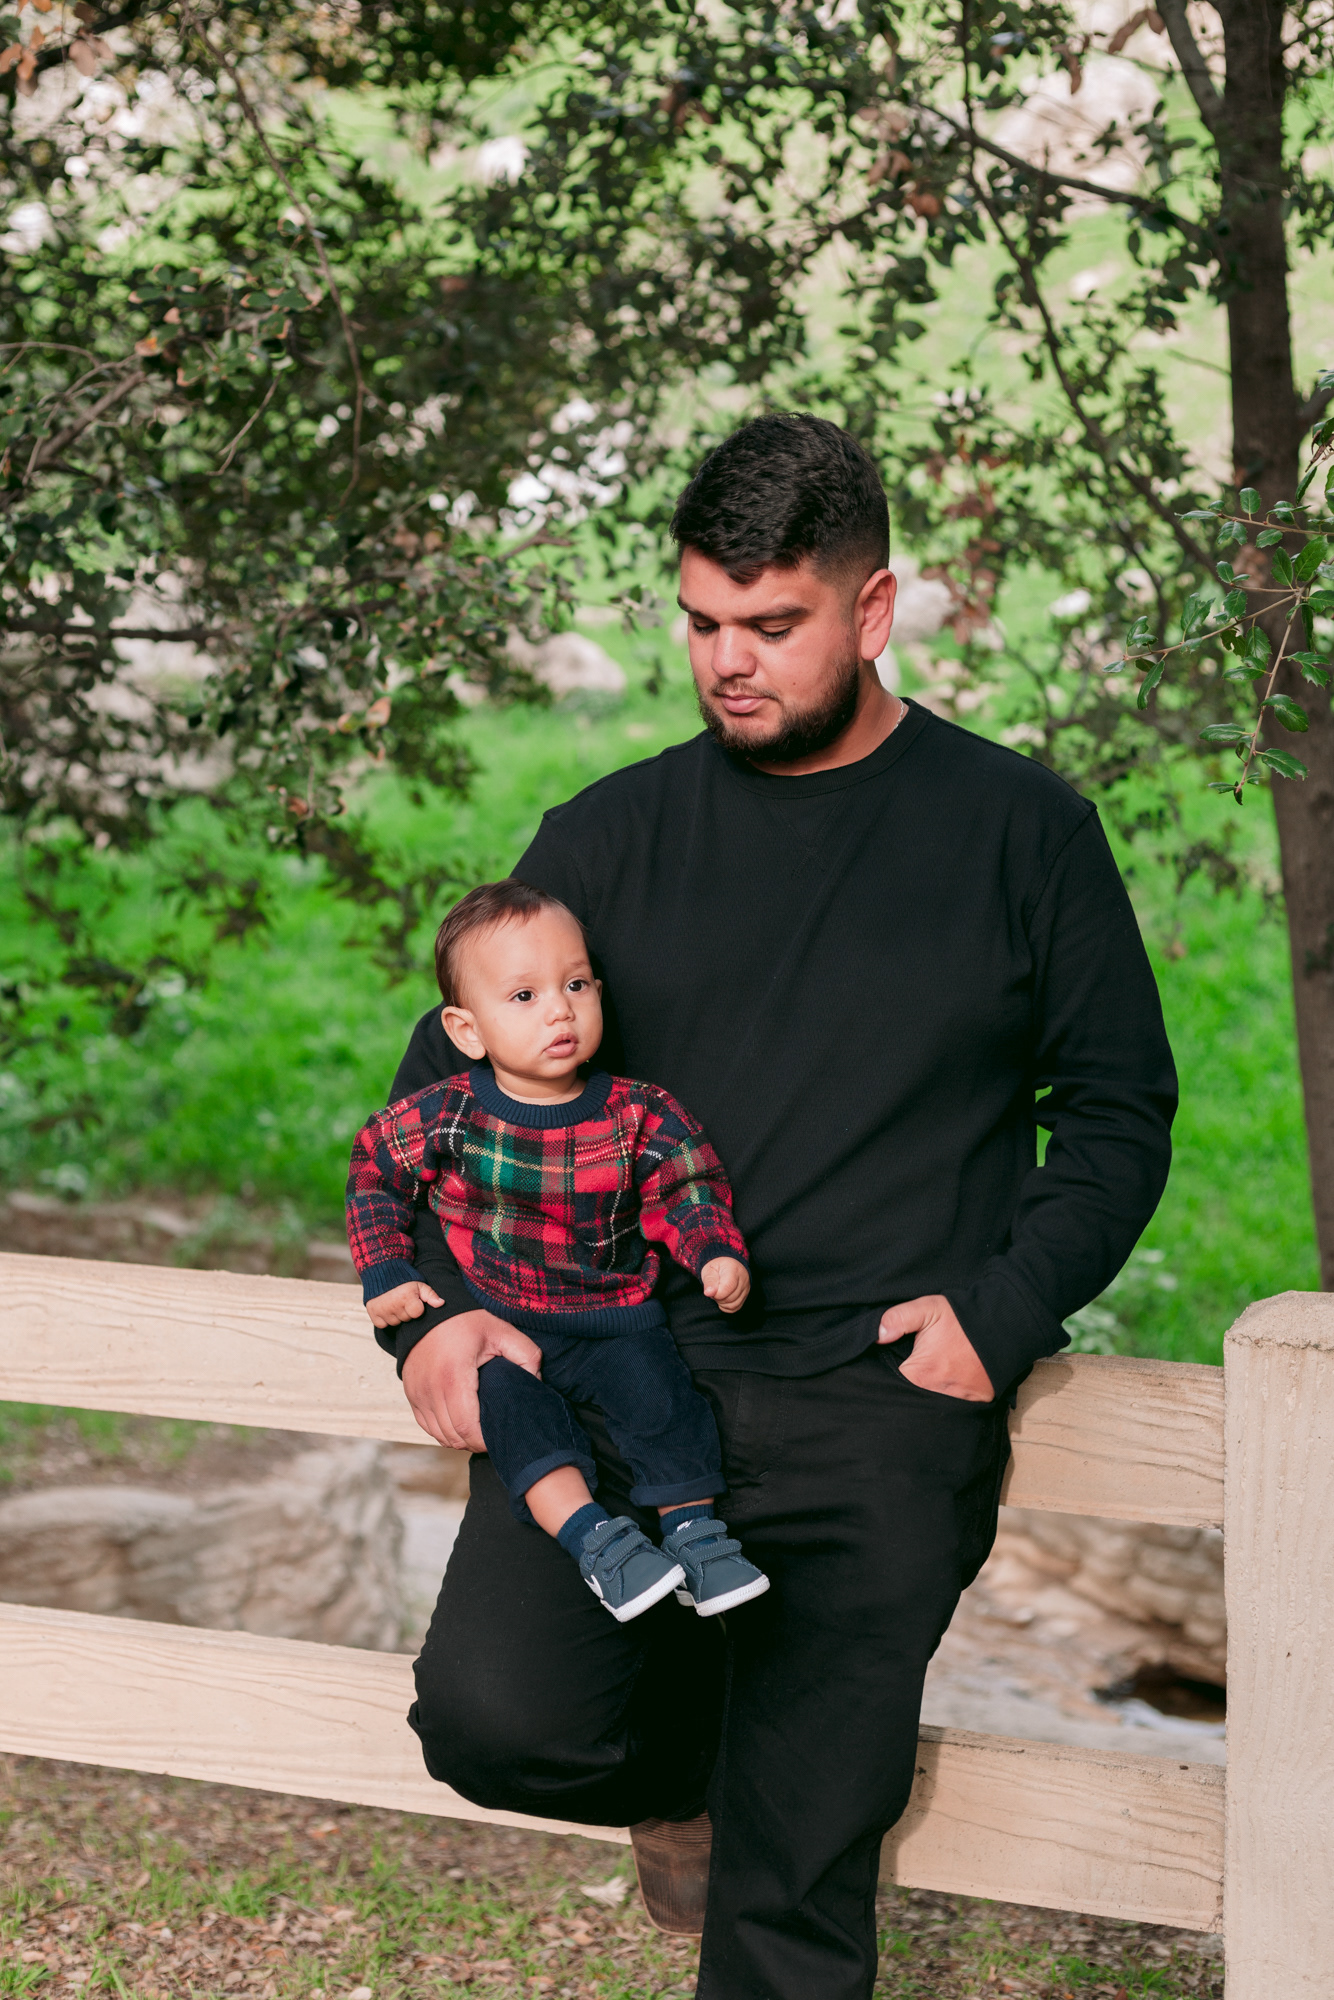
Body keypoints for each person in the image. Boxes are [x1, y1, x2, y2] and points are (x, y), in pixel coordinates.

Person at [374, 414, 1177, 1999]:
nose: (725, 662)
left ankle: (766, 1802)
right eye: (699, 623)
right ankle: (693, 1776)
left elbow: (1114, 1112)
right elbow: (430, 1113)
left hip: (877, 1406)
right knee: (494, 1723)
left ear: (871, 612)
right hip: (618, 1379)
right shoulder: (606, 839)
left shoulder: (1021, 832)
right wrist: (436, 1317)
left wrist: (1000, 1314)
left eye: (769, 625)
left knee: (792, 1889)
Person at [345, 879, 770, 1621]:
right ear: (467, 1030)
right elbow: (375, 1169)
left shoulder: (639, 1112)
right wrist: (386, 1267)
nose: (560, 1010)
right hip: (504, 1325)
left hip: (614, 1317)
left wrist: (712, 1251)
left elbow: (687, 1183)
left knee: (665, 1404)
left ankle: (698, 1539)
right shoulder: (450, 1113)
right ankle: (597, 1544)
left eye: (576, 985)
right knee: (517, 1423)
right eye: (524, 996)